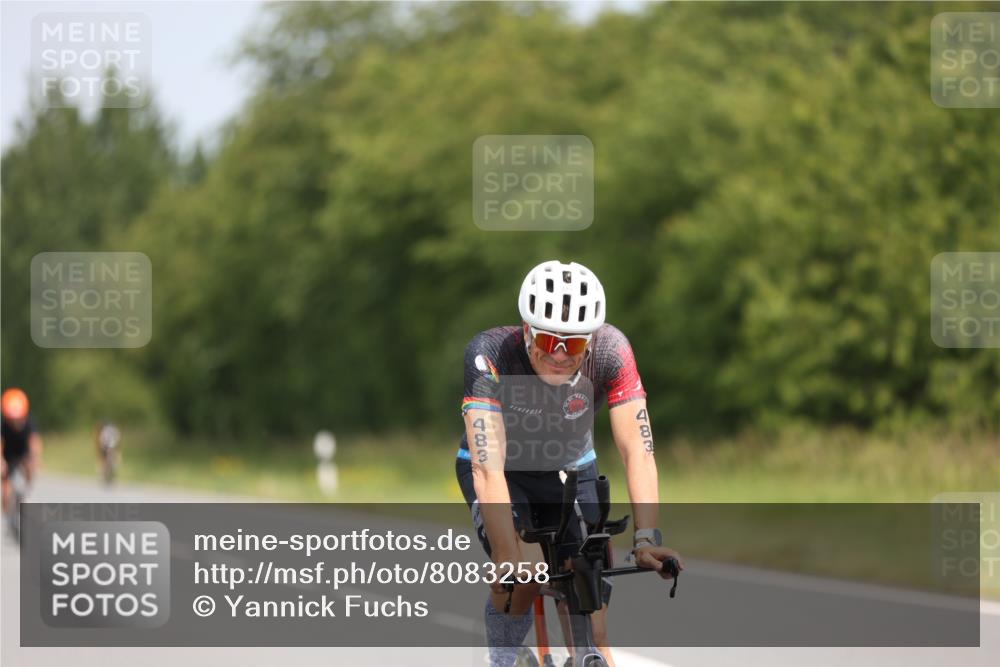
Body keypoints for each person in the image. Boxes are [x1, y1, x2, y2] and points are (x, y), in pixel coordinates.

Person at [456, 260, 683, 667]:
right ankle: (503, 657)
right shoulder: (490, 354)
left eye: (574, 345)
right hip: (503, 471)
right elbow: (487, 468)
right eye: (548, 341)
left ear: (591, 341)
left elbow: (638, 449)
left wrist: (646, 539)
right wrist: (508, 556)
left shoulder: (612, 351)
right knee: (522, 578)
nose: (560, 356)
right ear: (526, 330)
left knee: (590, 611)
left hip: (570, 467)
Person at [1, 388, 43, 513]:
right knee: (6, 489)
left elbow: (35, 441)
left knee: (30, 465)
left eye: (19, 418)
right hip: (7, 454)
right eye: (12, 419)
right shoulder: (2, 426)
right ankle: (7, 515)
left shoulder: (29, 423)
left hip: (23, 452)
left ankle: (27, 491)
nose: (16, 422)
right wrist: (1, 462)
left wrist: (36, 458)